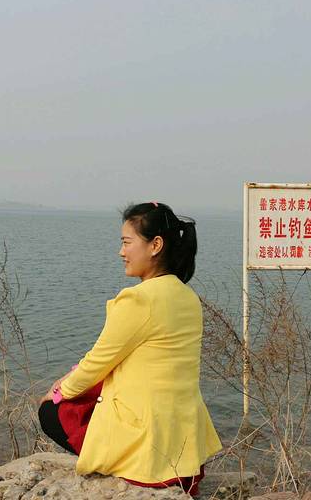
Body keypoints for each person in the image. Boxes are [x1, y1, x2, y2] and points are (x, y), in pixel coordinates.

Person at [38, 201, 222, 495]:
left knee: (51, 412)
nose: (121, 252)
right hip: (182, 443)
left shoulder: (139, 300)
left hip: (147, 447)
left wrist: (58, 391)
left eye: (126, 242)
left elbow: (97, 363)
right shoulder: (186, 296)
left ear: (155, 245)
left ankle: (120, 466)